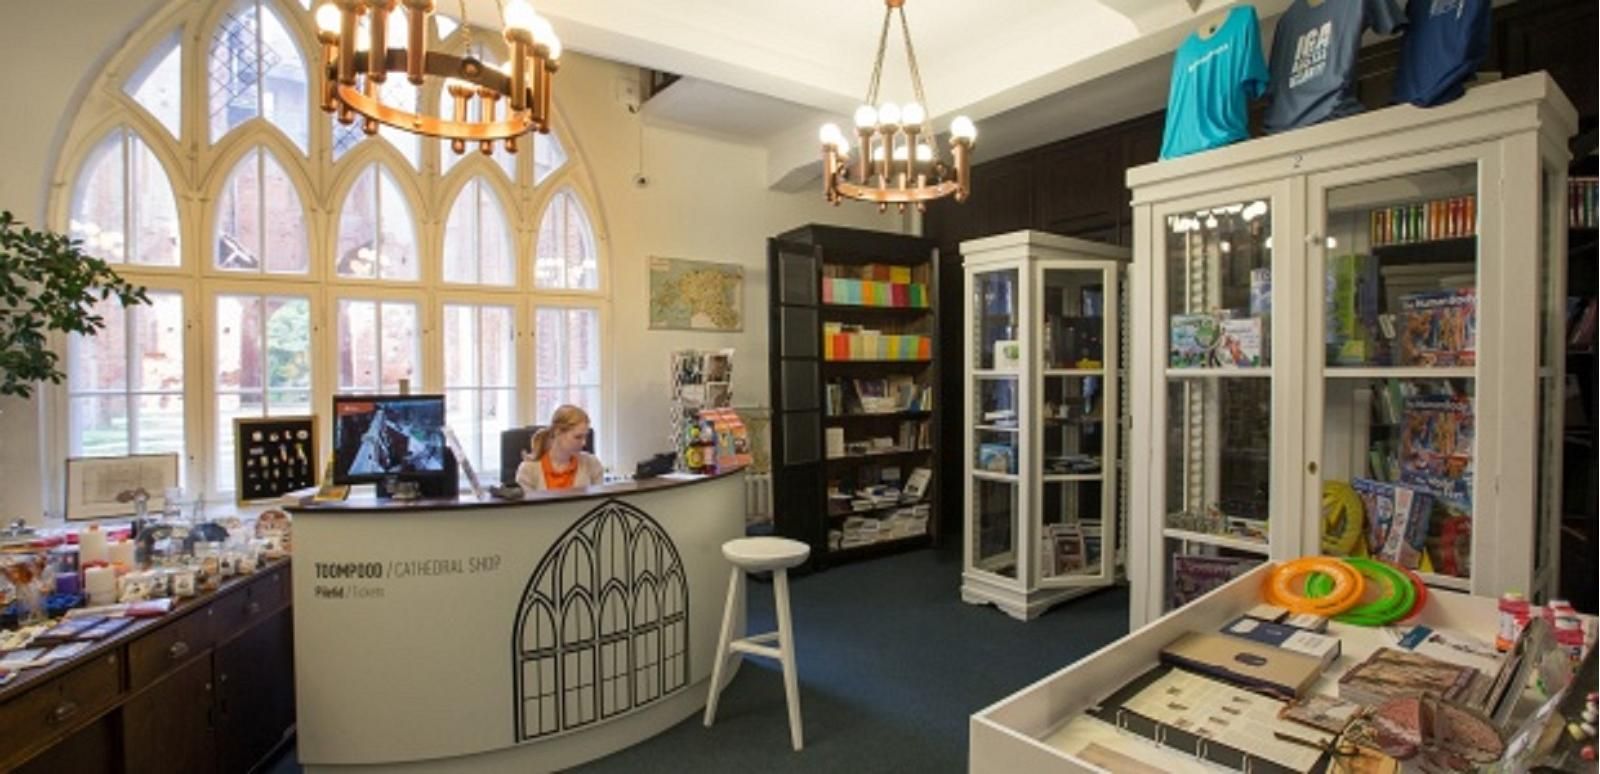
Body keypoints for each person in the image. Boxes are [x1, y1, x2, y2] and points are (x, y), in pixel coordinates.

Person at [515, 405, 604, 491]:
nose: (584, 443)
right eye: (578, 437)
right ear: (557, 432)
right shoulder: (528, 470)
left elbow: (600, 500)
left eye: (585, 436)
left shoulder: (592, 464)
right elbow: (525, 501)